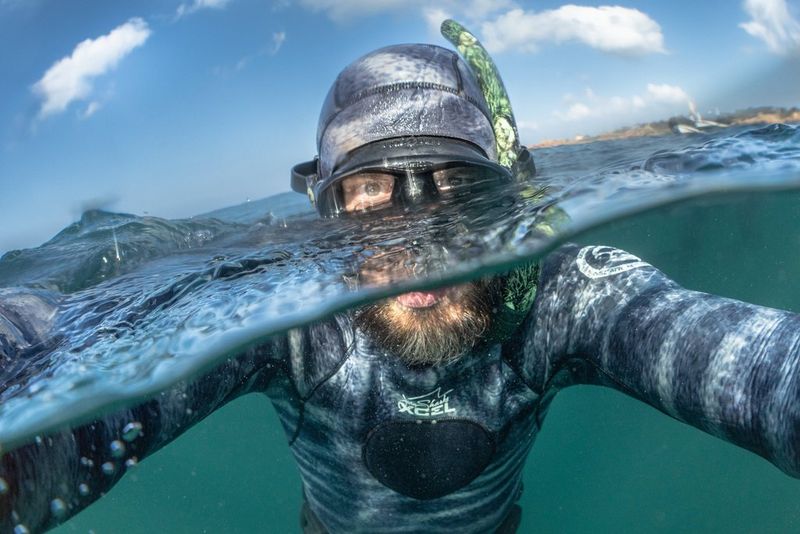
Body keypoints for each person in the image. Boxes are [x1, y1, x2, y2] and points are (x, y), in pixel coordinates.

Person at [2, 20, 800, 534]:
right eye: (371, 194)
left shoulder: (561, 296)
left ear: (507, 190)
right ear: (321, 206)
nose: (419, 242)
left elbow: (756, 369)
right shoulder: (291, 319)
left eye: (456, 186)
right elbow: (57, 376)